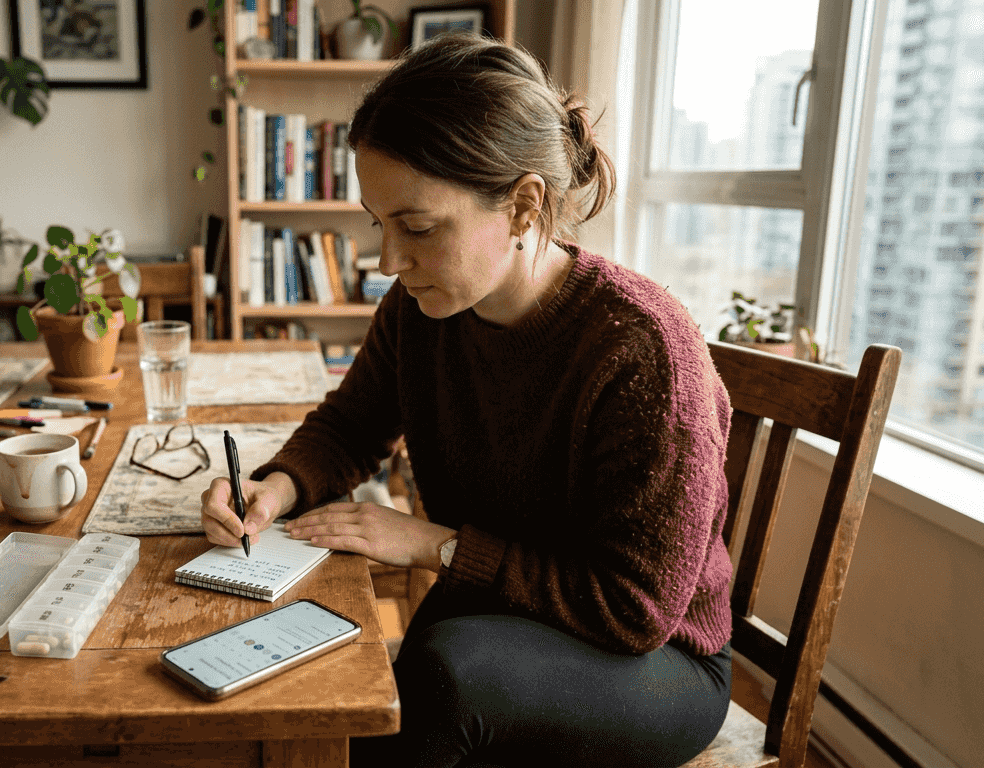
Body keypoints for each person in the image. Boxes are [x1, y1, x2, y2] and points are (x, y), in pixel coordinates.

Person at [200, 32, 733, 768]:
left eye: (416, 227)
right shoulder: (419, 312)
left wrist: (435, 545)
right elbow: (353, 425)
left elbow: (634, 607)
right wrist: (272, 488)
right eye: (377, 224)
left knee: (442, 676)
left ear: (523, 205)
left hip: (657, 663)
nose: (388, 262)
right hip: (494, 615)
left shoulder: (642, 351)